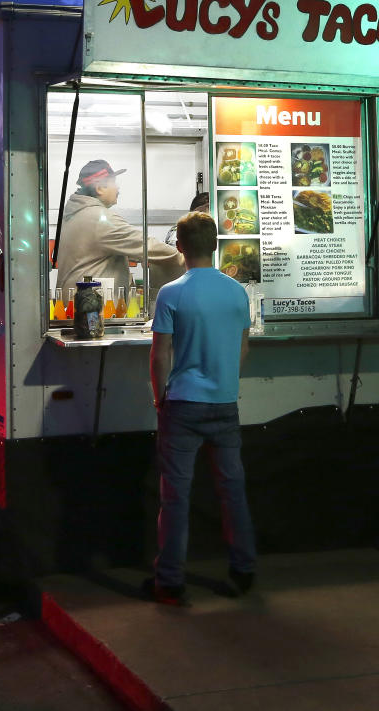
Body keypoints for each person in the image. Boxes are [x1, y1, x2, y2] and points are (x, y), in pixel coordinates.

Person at [146, 210, 256, 606]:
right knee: (233, 490)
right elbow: (243, 347)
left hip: (183, 406)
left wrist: (160, 397)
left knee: (175, 496)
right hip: (225, 403)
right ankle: (243, 570)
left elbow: (160, 356)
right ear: (215, 244)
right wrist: (226, 381)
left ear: (179, 247)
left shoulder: (172, 293)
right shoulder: (236, 291)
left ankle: (170, 579)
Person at [55, 159, 184, 301]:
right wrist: (188, 259)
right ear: (100, 188)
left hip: (75, 307)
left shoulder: (75, 214)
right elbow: (146, 245)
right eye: (114, 183)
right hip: (92, 312)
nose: (117, 189)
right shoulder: (99, 219)